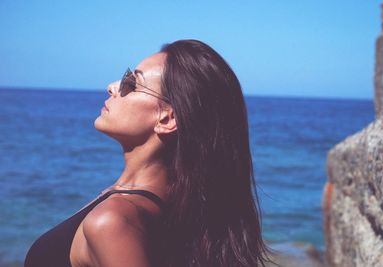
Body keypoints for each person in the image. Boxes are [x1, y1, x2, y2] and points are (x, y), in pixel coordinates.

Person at [24, 39, 271, 267]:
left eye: (131, 84)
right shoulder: (172, 210)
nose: (112, 87)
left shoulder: (114, 221)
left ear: (167, 118)